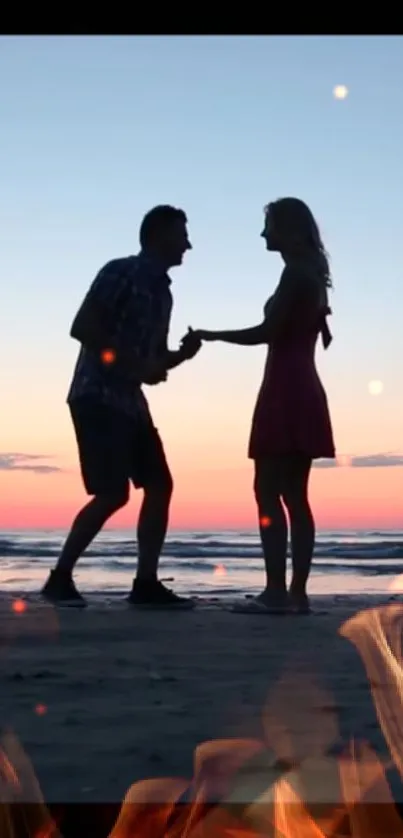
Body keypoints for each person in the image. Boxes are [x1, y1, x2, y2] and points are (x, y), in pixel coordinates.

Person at [42, 205, 201, 609]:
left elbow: (152, 361)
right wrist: (135, 366)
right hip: (97, 395)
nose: (188, 244)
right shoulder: (120, 271)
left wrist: (180, 356)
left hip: (131, 403)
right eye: (182, 234)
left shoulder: (163, 292)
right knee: (113, 493)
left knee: (160, 485)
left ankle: (145, 583)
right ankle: (59, 578)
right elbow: (83, 328)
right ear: (159, 234)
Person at [190, 198, 335, 614]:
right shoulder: (312, 274)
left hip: (285, 389)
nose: (262, 235)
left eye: (268, 226)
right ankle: (297, 594)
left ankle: (276, 592)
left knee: (268, 492)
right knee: (296, 495)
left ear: (287, 229)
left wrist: (213, 335)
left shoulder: (295, 274)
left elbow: (267, 332)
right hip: (302, 386)